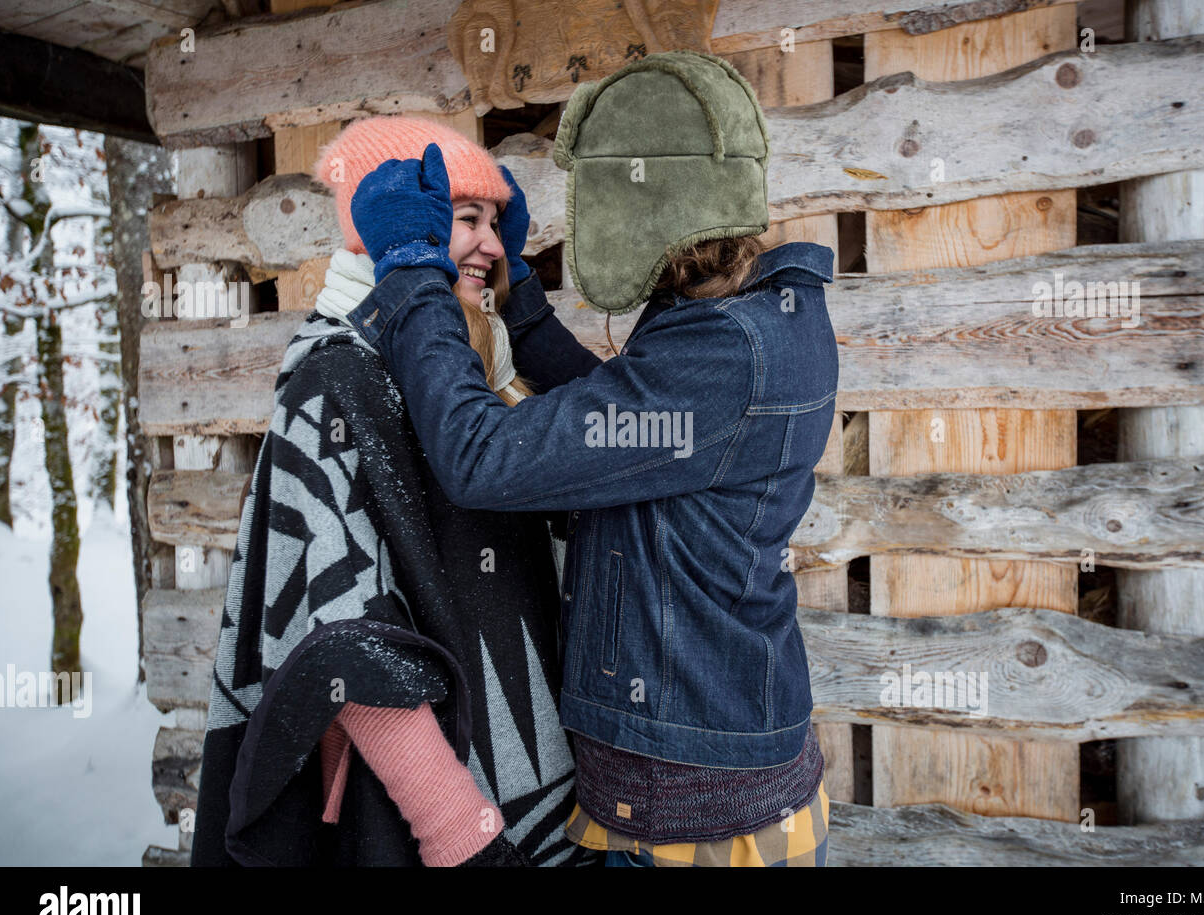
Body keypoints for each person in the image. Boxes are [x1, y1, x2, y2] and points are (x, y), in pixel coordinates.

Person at [343, 51, 837, 866]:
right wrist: (527, 307)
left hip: (694, 826)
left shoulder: (721, 358)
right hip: (714, 789)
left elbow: (480, 455)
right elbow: (636, 428)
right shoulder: (761, 322)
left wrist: (411, 277)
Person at [189, 116, 599, 867]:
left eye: (495, 223)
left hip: (540, 796)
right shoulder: (336, 373)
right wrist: (456, 832)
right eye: (465, 219)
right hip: (444, 821)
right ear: (384, 228)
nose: (495, 247)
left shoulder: (475, 363)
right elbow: (351, 634)